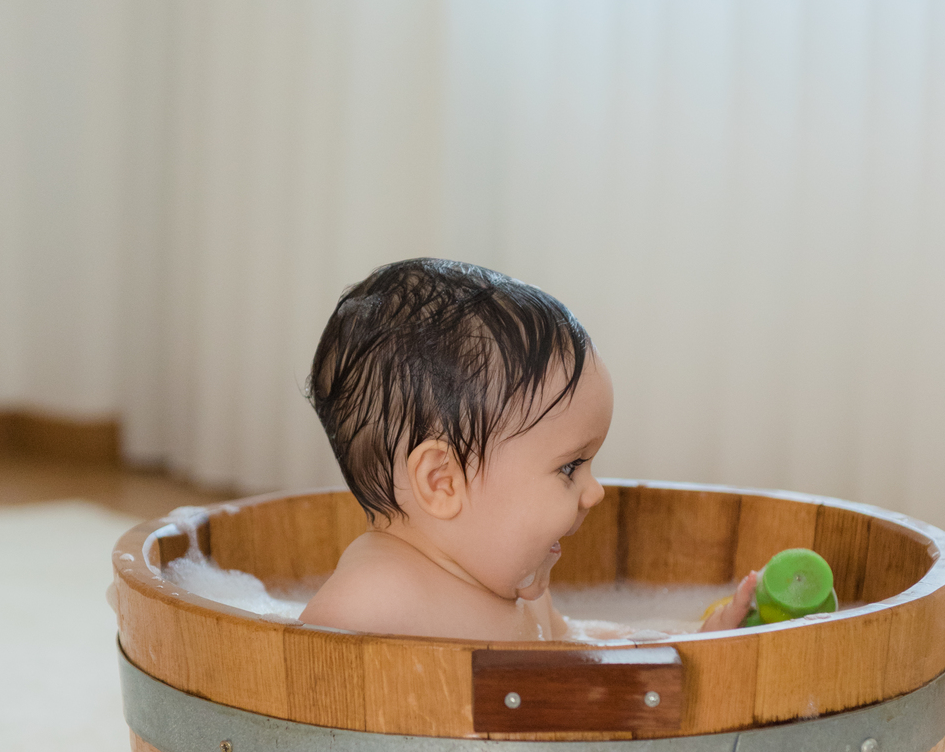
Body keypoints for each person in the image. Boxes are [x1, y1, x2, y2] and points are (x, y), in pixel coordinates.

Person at [300, 259, 757, 641]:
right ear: (442, 481)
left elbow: (579, 645)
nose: (594, 491)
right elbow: (310, 689)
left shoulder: (523, 589)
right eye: (570, 467)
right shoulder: (372, 600)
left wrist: (694, 640)